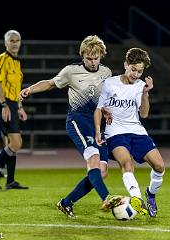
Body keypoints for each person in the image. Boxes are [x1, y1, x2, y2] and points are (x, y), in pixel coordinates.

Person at [20, 35, 125, 218]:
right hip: (78, 120)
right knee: (92, 159)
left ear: (101, 55)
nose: (93, 62)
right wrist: (30, 89)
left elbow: (103, 99)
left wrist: (106, 110)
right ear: (82, 56)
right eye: (89, 58)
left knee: (102, 171)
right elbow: (51, 84)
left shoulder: (106, 73)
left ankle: (66, 203)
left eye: (96, 57)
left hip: (96, 123)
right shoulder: (71, 71)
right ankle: (106, 197)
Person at [94, 47, 166, 217]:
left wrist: (145, 94)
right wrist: (98, 130)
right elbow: (98, 109)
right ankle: (137, 199)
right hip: (115, 132)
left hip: (137, 131)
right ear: (126, 65)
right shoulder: (110, 83)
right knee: (127, 164)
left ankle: (150, 194)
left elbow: (144, 114)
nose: (136, 74)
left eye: (140, 71)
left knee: (160, 166)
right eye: (133, 69)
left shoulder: (141, 86)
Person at [0, 30, 28, 190]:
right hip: (4, 103)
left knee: (12, 143)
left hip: (13, 104)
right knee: (16, 143)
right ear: (6, 43)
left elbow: (16, 88)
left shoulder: (17, 62)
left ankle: (10, 181)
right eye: (12, 40)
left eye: (17, 40)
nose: (15, 43)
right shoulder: (1, 60)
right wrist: (4, 105)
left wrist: (20, 107)